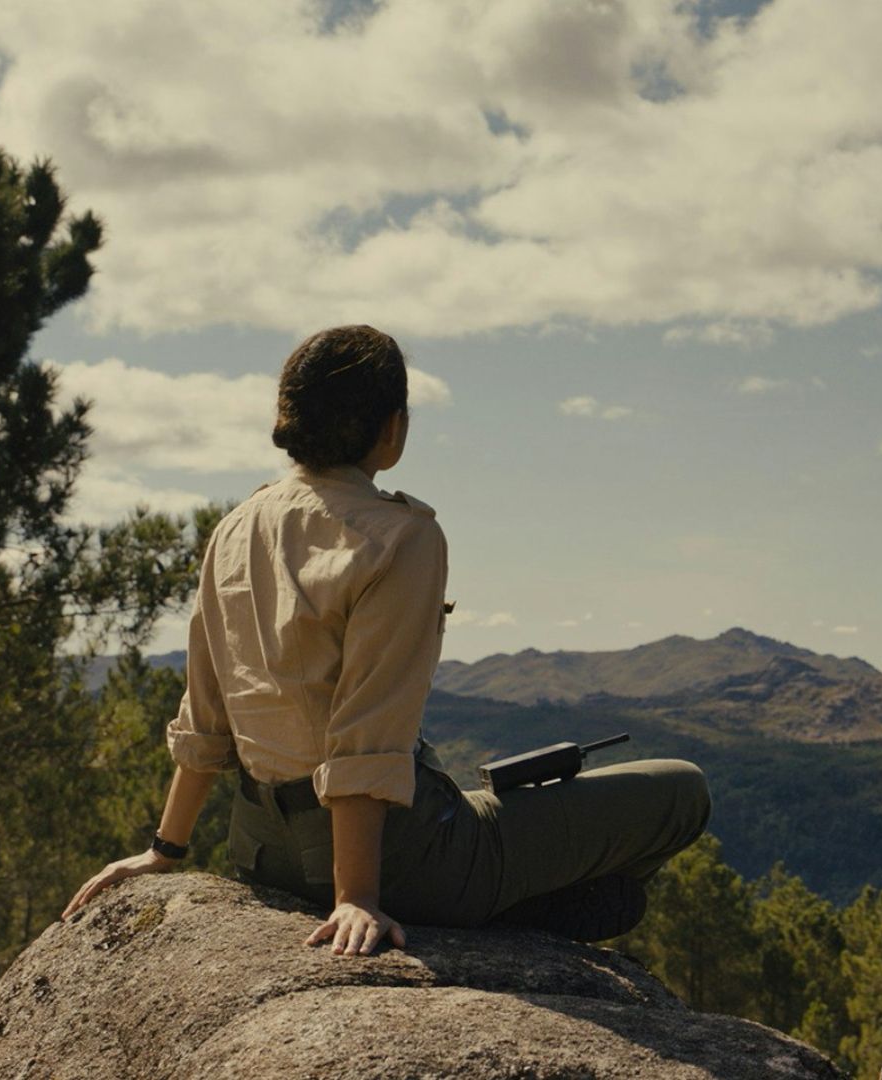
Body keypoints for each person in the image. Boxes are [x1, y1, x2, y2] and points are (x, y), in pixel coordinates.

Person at [61, 324, 712, 956]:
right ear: (391, 428)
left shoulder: (236, 527)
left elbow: (205, 714)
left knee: (507, 818)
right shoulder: (399, 537)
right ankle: (518, 915)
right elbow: (365, 734)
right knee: (680, 793)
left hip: (262, 853)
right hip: (401, 862)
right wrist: (356, 895)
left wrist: (164, 850)